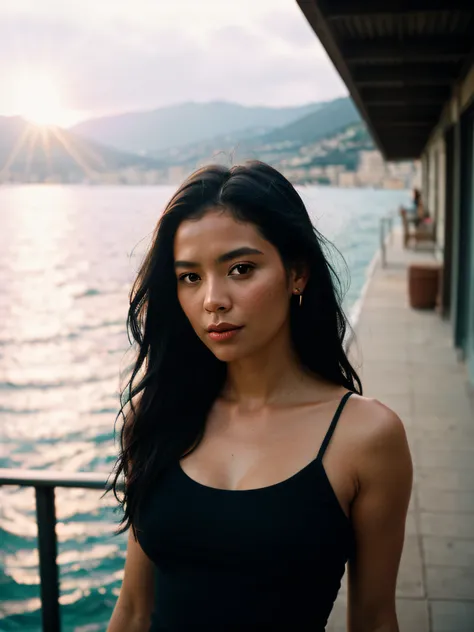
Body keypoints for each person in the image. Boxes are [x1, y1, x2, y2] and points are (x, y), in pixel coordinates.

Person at [106, 161, 413, 631]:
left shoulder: (366, 437)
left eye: (241, 268)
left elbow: (372, 618)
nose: (213, 299)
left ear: (297, 273)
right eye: (190, 277)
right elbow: (131, 611)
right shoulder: (154, 417)